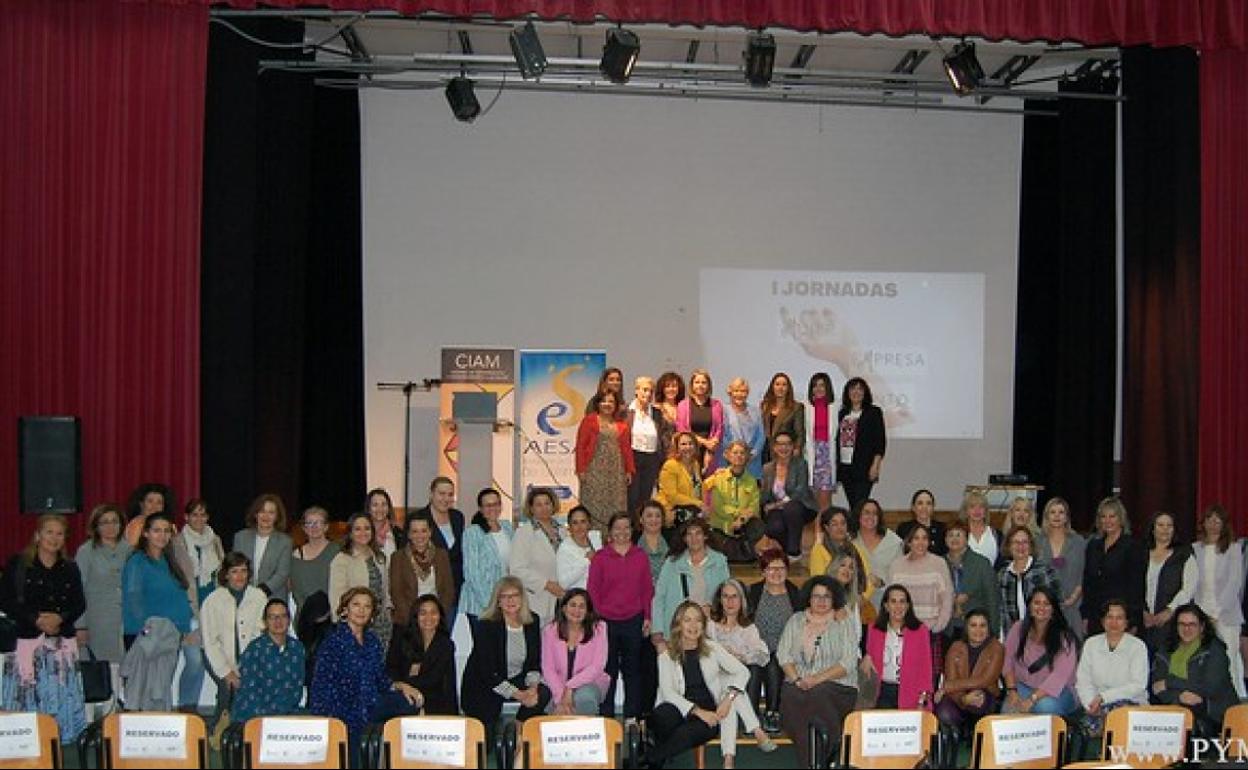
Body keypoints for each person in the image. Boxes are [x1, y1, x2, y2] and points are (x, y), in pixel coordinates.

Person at [645, 601, 774, 770]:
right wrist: (697, 711)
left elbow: (742, 672)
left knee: (687, 733)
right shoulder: (666, 655)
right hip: (679, 708)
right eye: (687, 620)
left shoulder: (712, 648)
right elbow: (668, 692)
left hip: (710, 714)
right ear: (678, 625)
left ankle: (650, 759)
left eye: (698, 620)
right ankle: (657, 755)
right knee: (663, 715)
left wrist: (728, 699)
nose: (693, 625)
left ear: (703, 624)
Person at [0, 513, 87, 741]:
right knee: (25, 696)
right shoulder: (18, 564)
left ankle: (61, 741)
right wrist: (36, 619)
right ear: (38, 535)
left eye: (60, 533)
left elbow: (79, 603)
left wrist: (60, 619)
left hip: (61, 644)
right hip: (26, 643)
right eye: (49, 532)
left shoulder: (70, 567)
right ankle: (22, 742)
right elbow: (6, 600)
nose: (54, 538)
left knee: (61, 696)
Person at [308, 587, 422, 754]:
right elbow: (320, 685)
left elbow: (381, 679)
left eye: (367, 606)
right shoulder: (332, 642)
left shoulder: (372, 641)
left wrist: (402, 686)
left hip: (370, 704)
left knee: (412, 701)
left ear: (372, 613)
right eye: (356, 605)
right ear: (345, 610)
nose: (361, 610)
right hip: (341, 710)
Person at [120, 511, 201, 710]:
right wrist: (146, 632)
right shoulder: (137, 561)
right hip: (146, 636)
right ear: (145, 533)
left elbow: (179, 597)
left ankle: (157, 737)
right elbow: (133, 598)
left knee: (160, 690)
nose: (162, 535)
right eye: (156, 530)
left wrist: (184, 627)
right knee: (140, 692)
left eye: (166, 531)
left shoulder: (169, 561)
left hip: (169, 636)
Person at [776, 578, 860, 769]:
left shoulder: (843, 621)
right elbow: (783, 654)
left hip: (838, 685)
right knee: (791, 695)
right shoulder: (796, 620)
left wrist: (816, 679)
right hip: (799, 682)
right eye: (816, 596)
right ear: (808, 598)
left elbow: (848, 663)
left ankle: (822, 755)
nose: (821, 601)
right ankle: (818, 761)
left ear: (834, 599)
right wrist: (797, 679)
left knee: (818, 694)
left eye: (827, 597)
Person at [461, 577, 551, 735]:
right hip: (485, 685)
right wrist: (519, 695)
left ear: (522, 598)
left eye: (515, 595)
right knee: (485, 742)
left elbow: (533, 663)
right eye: (504, 596)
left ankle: (519, 727)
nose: (510, 600)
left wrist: (532, 688)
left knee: (542, 693)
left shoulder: (532, 621)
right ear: (498, 601)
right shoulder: (486, 625)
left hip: (516, 678)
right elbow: (488, 673)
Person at [588, 512, 653, 720]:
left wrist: (647, 617)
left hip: (633, 620)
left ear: (632, 530)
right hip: (606, 622)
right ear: (610, 531)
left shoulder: (640, 556)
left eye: (626, 528)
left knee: (632, 671)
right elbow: (593, 591)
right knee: (608, 672)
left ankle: (632, 718)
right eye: (618, 528)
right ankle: (606, 717)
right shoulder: (600, 558)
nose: (622, 532)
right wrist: (596, 619)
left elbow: (646, 589)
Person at [199, 552, 267, 734]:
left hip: (248, 658)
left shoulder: (258, 597)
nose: (240, 576)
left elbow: (260, 634)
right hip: (217, 655)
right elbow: (210, 643)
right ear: (226, 574)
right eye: (234, 571)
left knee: (248, 691)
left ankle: (247, 731)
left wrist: (248, 667)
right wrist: (228, 672)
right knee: (228, 689)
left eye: (244, 571)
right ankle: (216, 731)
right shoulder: (212, 601)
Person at [706, 579, 774, 751]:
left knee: (736, 682)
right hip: (712, 680)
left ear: (742, 600)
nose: (729, 602)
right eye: (725, 596)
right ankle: (756, 729)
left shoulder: (748, 629)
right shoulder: (710, 625)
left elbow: (763, 655)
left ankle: (729, 759)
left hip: (731, 688)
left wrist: (741, 657)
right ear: (719, 600)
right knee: (731, 679)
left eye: (734, 597)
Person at [1150, 603, 1238, 736]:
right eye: (1182, 624)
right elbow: (1156, 685)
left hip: (1213, 712)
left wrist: (1169, 682)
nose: (1187, 629)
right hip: (1175, 707)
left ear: (1202, 627)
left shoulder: (1214, 650)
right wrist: (1178, 697)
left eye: (1192, 624)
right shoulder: (1165, 649)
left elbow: (1211, 687)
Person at [169, 498, 223, 712]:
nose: (199, 519)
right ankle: (186, 706)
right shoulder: (177, 542)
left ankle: (201, 707)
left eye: (203, 514)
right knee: (194, 662)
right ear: (186, 517)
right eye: (194, 514)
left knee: (211, 661)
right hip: (189, 610)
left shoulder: (215, 540)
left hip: (211, 609)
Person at [746, 549, 804, 733]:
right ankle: (751, 715)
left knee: (774, 664)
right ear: (763, 572)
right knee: (755, 667)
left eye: (781, 568)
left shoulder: (795, 594)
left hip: (785, 650)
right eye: (771, 568)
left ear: (787, 570)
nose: (776, 573)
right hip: (756, 647)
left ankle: (773, 712)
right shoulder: (753, 592)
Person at [651, 519, 731, 652]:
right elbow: (659, 597)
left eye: (698, 533)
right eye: (689, 534)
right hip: (676, 630)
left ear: (705, 536)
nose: (694, 538)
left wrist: (712, 608)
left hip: (707, 632)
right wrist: (657, 630)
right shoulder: (672, 563)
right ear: (684, 538)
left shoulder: (719, 562)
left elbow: (727, 595)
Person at [1193, 503, 1246, 698]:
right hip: (1200, 613)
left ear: (1224, 524)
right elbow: (1193, 584)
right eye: (1210, 519)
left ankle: (1237, 698)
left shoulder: (1233, 549)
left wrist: (1216, 614)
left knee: (1230, 656)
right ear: (1203, 523)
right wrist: (1202, 615)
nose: (1214, 524)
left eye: (1218, 520)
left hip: (1226, 615)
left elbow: (1234, 583)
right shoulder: (1195, 549)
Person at [1076, 599, 1149, 737]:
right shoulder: (1091, 644)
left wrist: (1103, 698)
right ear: (1103, 621)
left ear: (1127, 622)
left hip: (1130, 704)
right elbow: (1083, 681)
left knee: (1119, 721)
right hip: (1096, 706)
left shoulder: (1137, 646)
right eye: (1109, 617)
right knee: (1089, 728)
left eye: (1119, 618)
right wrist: (1090, 705)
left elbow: (1138, 685)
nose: (1114, 622)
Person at [1002, 586, 1079, 716]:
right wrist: (1012, 690)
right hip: (1023, 686)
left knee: (1044, 707)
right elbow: (1007, 661)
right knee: (1009, 709)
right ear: (1030, 607)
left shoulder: (1065, 637)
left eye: (1046, 604)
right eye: (1037, 603)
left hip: (1059, 691)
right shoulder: (1018, 628)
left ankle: (1058, 734)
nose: (1041, 608)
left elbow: (1059, 676)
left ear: (1053, 609)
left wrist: (1032, 699)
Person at [74, 504, 132, 670]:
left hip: (126, 619)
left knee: (128, 667)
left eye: (114, 521)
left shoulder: (130, 551)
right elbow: (79, 589)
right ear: (95, 526)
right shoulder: (86, 552)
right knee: (102, 670)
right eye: (104, 522)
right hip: (97, 621)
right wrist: (80, 626)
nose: (110, 526)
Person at [233, 598, 306, 723]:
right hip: (255, 714)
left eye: (283, 616)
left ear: (289, 620)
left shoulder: (297, 648)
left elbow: (297, 687)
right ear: (265, 622)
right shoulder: (255, 650)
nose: (278, 621)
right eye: (273, 617)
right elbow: (249, 691)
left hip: (288, 712)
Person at [861, 584, 934, 709]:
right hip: (881, 692)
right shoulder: (874, 629)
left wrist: (922, 699)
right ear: (886, 606)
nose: (898, 606)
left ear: (908, 605)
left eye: (902, 601)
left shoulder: (920, 631)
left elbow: (925, 667)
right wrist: (867, 656)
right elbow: (868, 661)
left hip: (911, 693)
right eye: (893, 601)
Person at [328, 512, 393, 651]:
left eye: (367, 528)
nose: (363, 532)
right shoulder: (342, 559)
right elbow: (336, 598)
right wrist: (343, 625)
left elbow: (385, 590)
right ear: (350, 533)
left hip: (381, 624)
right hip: (356, 624)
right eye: (357, 529)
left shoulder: (380, 557)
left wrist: (388, 610)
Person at [1082, 496, 1145, 636]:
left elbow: (1136, 587)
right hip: (1096, 617)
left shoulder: (1132, 547)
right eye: (1103, 517)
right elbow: (1088, 583)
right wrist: (1085, 615)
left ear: (1121, 519)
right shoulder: (1093, 546)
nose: (1107, 521)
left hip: (1121, 618)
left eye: (1112, 516)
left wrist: (1133, 621)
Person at [385, 594, 458, 715]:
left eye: (433, 612)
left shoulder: (446, 645)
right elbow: (390, 669)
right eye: (423, 613)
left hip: (433, 701)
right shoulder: (401, 638)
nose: (428, 617)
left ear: (440, 616)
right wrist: (403, 686)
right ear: (416, 616)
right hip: (402, 695)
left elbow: (442, 683)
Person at [935, 609, 1003, 737]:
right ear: (966, 628)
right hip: (958, 694)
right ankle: (962, 729)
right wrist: (963, 699)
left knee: (978, 699)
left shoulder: (997, 648)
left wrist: (948, 687)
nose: (978, 630)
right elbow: (951, 678)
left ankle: (974, 731)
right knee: (944, 712)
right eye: (973, 625)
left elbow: (985, 680)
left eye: (982, 625)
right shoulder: (956, 646)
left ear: (989, 629)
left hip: (984, 692)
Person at [576, 389, 636, 533]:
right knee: (593, 506)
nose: (607, 404)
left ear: (616, 405)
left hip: (616, 473)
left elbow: (626, 449)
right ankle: (594, 542)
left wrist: (629, 470)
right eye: (604, 401)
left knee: (616, 507)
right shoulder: (589, 421)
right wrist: (581, 470)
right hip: (594, 471)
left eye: (611, 401)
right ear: (598, 403)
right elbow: (580, 446)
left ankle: (614, 543)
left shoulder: (622, 426)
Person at [542, 589, 610, 716]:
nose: (576, 611)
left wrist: (570, 687)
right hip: (558, 684)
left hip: (590, 682)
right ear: (563, 608)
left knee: (584, 699)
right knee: (553, 704)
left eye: (582, 607)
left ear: (588, 611)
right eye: (572, 605)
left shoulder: (599, 628)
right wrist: (561, 697)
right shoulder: (550, 631)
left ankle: (586, 733)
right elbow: (548, 668)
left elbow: (597, 666)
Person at [408, 477, 466, 614]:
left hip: (455, 591)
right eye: (441, 493)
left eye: (450, 494)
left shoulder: (458, 517)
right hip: (428, 591)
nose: (446, 498)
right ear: (431, 494)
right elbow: (409, 555)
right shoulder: (417, 518)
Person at [1141, 510, 1196, 654]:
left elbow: (1189, 588)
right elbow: (1132, 584)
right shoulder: (1140, 553)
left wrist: (1169, 611)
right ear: (1153, 529)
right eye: (1160, 525)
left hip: (1173, 623)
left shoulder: (1184, 554)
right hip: (1143, 622)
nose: (1165, 529)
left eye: (1169, 525)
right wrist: (1142, 612)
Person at [509, 487, 565, 623]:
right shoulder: (524, 533)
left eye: (547, 503)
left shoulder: (563, 531)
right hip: (537, 599)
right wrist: (547, 585)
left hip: (562, 600)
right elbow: (517, 569)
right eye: (538, 504)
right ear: (531, 509)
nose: (544, 507)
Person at [759, 430, 817, 562]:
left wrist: (777, 504)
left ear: (793, 446)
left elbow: (800, 491)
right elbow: (765, 494)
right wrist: (764, 505)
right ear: (774, 447)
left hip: (801, 506)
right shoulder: (767, 468)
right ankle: (789, 551)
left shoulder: (801, 464)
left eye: (787, 444)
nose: (783, 448)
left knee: (791, 508)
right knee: (773, 527)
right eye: (780, 444)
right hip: (777, 509)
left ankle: (793, 551)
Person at [390, 514, 455, 630]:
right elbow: (396, 593)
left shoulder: (442, 555)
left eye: (424, 531)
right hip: (407, 621)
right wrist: (413, 620)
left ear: (430, 532)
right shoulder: (398, 557)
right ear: (409, 534)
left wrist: (438, 616)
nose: (420, 536)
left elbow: (448, 590)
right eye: (414, 531)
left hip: (437, 620)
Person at [888, 525, 953, 638]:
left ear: (929, 542)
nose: (921, 542)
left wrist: (938, 626)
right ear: (909, 542)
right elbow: (890, 598)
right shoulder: (896, 566)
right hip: (902, 629)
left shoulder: (939, 563)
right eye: (916, 538)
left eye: (924, 538)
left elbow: (947, 597)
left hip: (931, 630)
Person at [703, 441, 763, 563]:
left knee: (758, 526)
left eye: (742, 453)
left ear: (747, 457)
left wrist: (741, 520)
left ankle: (743, 551)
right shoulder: (717, 478)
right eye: (735, 452)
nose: (739, 456)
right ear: (727, 455)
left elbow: (754, 508)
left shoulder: (752, 481)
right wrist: (738, 514)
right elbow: (719, 507)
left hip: (742, 526)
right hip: (720, 526)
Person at [461, 488, 513, 625]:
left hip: (506, 600)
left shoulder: (507, 527)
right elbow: (471, 573)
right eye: (488, 505)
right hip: (480, 603)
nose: (493, 508)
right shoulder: (472, 533)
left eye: (496, 504)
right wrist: (489, 604)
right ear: (480, 508)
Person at [997, 526, 1062, 635]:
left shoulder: (1045, 571)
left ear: (1031, 546)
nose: (1020, 546)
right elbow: (1001, 611)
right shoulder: (1003, 575)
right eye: (1016, 542)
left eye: (1025, 542)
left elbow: (1058, 604)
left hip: (1043, 634)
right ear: (1008, 546)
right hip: (1013, 636)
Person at [1036, 497, 1086, 639]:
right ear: (1046, 516)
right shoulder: (1037, 542)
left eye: (1061, 512)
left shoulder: (1078, 542)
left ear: (1067, 517)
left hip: (1071, 606)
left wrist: (1074, 597)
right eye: (1052, 512)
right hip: (1044, 608)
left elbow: (1084, 573)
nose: (1057, 516)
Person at [835, 377, 885, 513]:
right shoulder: (842, 413)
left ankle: (858, 532)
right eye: (853, 388)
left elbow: (880, 442)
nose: (856, 392)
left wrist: (875, 465)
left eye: (860, 389)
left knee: (860, 504)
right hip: (845, 467)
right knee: (853, 505)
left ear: (865, 392)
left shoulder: (873, 412)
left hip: (864, 467)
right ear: (847, 392)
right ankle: (855, 532)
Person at [232, 493, 293, 604]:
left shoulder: (285, 541)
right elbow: (235, 568)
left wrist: (259, 593)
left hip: (273, 599)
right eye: (262, 511)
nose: (266, 516)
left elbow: (282, 573)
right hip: (244, 598)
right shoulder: (240, 537)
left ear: (277, 516)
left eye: (271, 512)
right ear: (255, 514)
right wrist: (247, 593)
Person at [944, 521, 1000, 641]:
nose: (954, 538)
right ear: (945, 539)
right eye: (950, 535)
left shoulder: (982, 563)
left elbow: (992, 598)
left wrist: (994, 630)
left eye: (958, 535)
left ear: (967, 538)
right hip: (946, 628)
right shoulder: (939, 563)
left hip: (977, 629)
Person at [627, 376, 672, 516]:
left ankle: (641, 530)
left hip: (652, 459)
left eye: (651, 391)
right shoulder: (627, 412)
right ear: (636, 391)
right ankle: (631, 531)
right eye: (644, 390)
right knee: (632, 497)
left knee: (646, 498)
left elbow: (665, 436)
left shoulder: (657, 413)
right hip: (633, 457)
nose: (647, 394)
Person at [289, 505, 340, 628]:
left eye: (318, 523)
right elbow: (296, 591)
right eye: (309, 523)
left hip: (332, 619)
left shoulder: (337, 552)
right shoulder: (295, 556)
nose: (314, 527)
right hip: (305, 621)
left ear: (326, 527)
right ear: (304, 528)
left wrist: (328, 613)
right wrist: (309, 614)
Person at [809, 506, 873, 600]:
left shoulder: (856, 549)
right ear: (826, 527)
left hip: (857, 601)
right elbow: (818, 581)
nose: (840, 527)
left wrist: (861, 599)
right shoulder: (819, 549)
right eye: (834, 524)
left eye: (843, 523)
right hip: (828, 601)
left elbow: (869, 578)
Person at [854, 499, 903, 611]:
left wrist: (881, 583)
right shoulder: (850, 541)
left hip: (886, 601)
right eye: (866, 512)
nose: (870, 516)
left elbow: (899, 576)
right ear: (858, 516)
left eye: (874, 513)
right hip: (856, 600)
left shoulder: (893, 542)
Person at [676, 368, 724, 474]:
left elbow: (719, 428)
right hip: (689, 451)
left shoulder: (717, 405)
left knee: (708, 486)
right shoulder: (683, 405)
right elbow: (682, 430)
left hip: (710, 453)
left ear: (708, 386)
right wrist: (705, 442)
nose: (700, 385)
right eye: (697, 382)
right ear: (692, 385)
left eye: (704, 382)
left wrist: (710, 449)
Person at [656, 432, 704, 533]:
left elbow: (698, 487)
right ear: (677, 448)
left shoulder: (695, 464)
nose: (688, 447)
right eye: (683, 444)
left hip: (691, 510)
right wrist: (698, 503)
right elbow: (672, 496)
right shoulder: (670, 465)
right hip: (672, 511)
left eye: (691, 443)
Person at [803, 372, 838, 513]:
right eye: (815, 385)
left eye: (822, 385)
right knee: (812, 502)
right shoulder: (805, 407)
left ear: (828, 388)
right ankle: (815, 532)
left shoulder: (835, 407)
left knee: (825, 501)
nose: (818, 389)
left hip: (826, 457)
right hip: (810, 455)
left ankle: (826, 531)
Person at [719, 377, 766, 480]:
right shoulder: (722, 410)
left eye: (743, 391)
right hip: (729, 462)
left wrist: (752, 454)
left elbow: (761, 436)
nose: (739, 394)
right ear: (730, 392)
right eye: (736, 391)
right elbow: (721, 435)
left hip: (752, 462)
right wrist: (734, 455)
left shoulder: (756, 411)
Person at [760, 372, 805, 465]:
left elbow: (799, 432)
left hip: (786, 452)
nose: (780, 388)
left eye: (784, 385)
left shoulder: (796, 407)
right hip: (767, 453)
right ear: (772, 387)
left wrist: (797, 449)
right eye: (777, 384)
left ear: (788, 388)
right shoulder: (765, 406)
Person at [557, 506, 603, 591]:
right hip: (579, 599)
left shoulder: (596, 540)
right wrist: (586, 561)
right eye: (575, 523)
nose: (579, 526)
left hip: (598, 596)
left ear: (589, 524)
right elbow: (563, 583)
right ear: (569, 526)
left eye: (583, 521)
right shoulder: (565, 548)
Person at [896, 489, 947, 556]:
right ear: (913, 507)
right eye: (920, 503)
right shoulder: (903, 528)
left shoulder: (942, 528)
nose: (924, 507)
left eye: (928, 503)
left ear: (933, 507)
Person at [123, 482, 175, 548]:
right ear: (141, 504)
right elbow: (131, 550)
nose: (154, 506)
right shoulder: (136, 525)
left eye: (159, 503)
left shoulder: (171, 525)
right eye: (150, 501)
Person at [960, 490, 1003, 568]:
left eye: (981, 506)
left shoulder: (996, 535)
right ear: (966, 510)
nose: (977, 510)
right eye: (972, 506)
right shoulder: (959, 533)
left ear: (986, 511)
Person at [368, 488, 403, 558]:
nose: (380, 509)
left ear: (388, 508)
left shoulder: (398, 533)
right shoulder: (362, 533)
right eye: (375, 505)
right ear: (368, 508)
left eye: (383, 504)